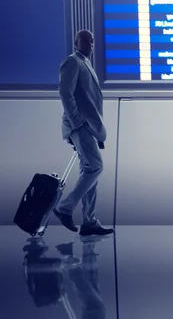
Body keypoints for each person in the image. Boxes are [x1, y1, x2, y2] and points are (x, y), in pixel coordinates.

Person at [53, 30, 114, 237]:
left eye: (92, 41)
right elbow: (65, 93)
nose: (90, 44)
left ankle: (89, 222)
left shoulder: (86, 63)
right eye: (85, 40)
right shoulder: (72, 62)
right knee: (95, 167)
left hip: (90, 127)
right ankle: (65, 208)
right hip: (81, 126)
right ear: (76, 43)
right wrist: (76, 122)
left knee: (89, 172)